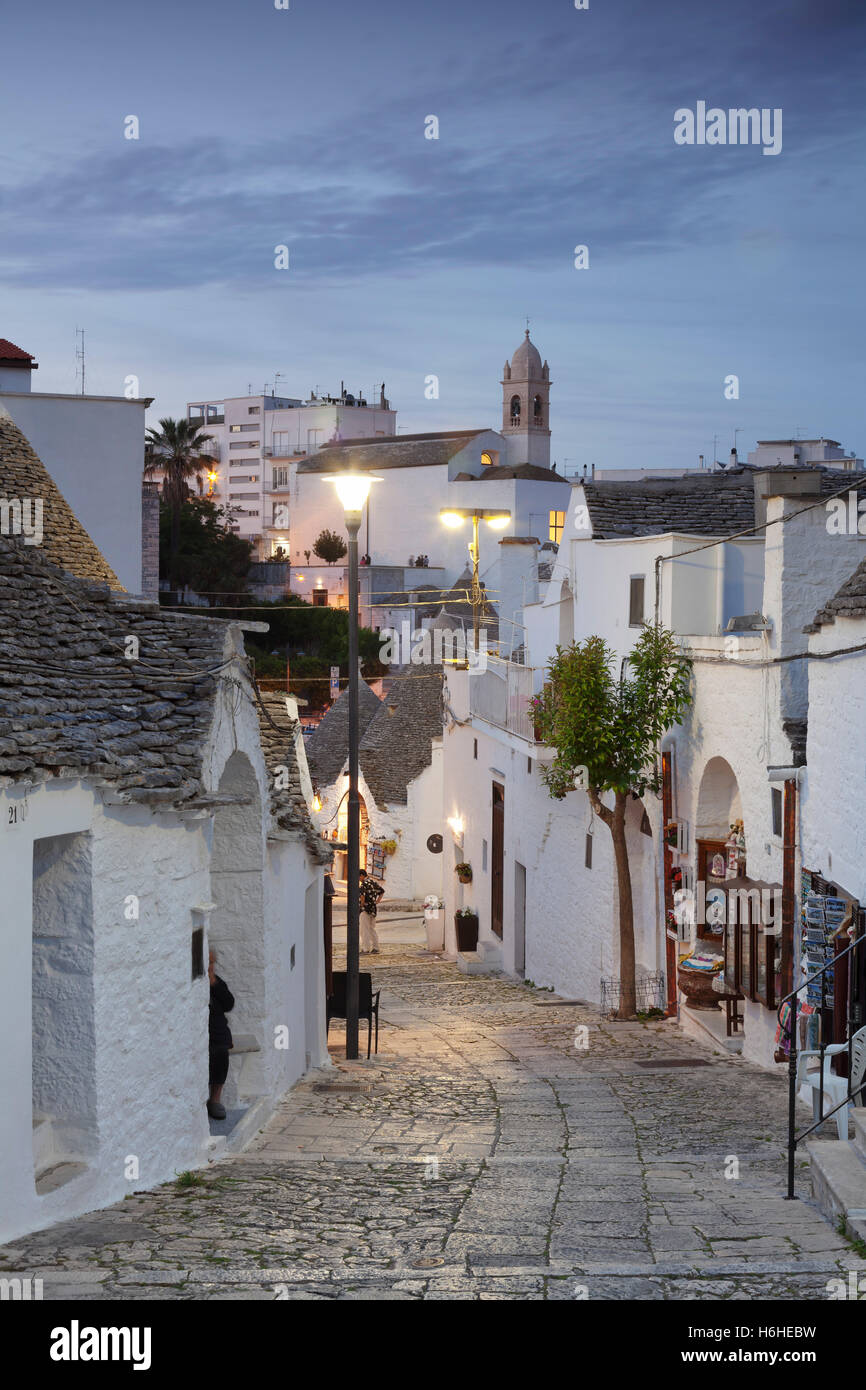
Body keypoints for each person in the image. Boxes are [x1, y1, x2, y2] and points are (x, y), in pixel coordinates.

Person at [207, 949, 234, 1120]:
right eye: (208, 961)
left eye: (212, 962)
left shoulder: (216, 983)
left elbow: (229, 1004)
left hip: (218, 1034)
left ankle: (215, 1099)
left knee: (221, 1052)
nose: (210, 966)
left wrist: (213, 982)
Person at [359, 868, 384, 953]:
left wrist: (361, 905)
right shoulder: (373, 882)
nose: (359, 879)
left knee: (364, 929)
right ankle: (376, 947)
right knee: (371, 928)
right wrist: (376, 902)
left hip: (365, 909)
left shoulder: (363, 885)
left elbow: (362, 896)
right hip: (373, 909)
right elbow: (381, 891)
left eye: (359, 877)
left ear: (362, 875)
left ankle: (365, 948)